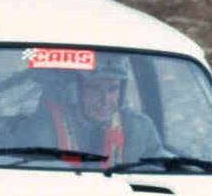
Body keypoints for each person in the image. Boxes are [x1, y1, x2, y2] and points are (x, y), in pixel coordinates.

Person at [23, 54, 164, 165]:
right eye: (95, 88)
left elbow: (159, 171)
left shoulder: (140, 128)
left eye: (113, 89)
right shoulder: (41, 132)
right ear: (74, 92)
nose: (105, 100)